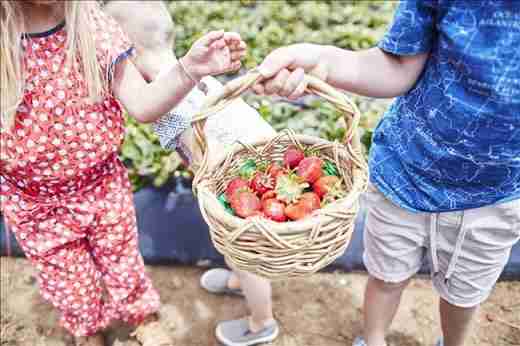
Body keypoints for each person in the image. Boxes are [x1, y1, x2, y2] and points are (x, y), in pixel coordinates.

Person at [251, 1, 520, 346]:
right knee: (385, 277)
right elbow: (397, 66)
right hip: (405, 174)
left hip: (497, 197)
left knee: (464, 295)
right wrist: (321, 60)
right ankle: (374, 339)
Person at [0, 1, 245, 345]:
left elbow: (142, 104)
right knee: (68, 279)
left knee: (122, 259)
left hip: (101, 185)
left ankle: (141, 315)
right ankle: (90, 330)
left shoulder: (89, 23)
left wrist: (190, 68)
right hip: (33, 203)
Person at [104, 1, 280, 346]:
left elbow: (202, 153)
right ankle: (235, 279)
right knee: (234, 245)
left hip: (241, 178)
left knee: (242, 248)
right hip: (253, 155)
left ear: (125, 53)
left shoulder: (168, 98)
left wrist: (208, 185)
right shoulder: (189, 73)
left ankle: (263, 322)